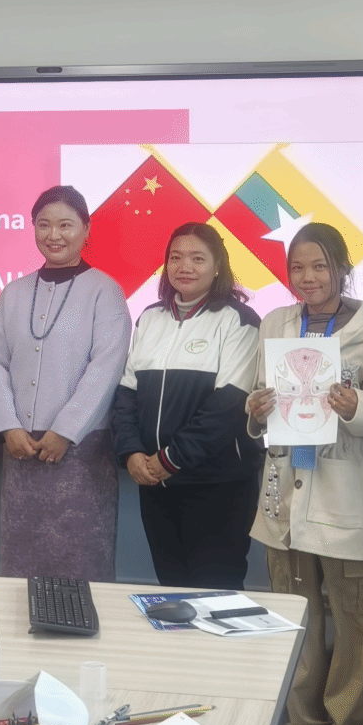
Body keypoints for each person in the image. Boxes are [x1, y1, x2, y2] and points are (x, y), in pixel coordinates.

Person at [247, 222, 363, 725]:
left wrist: (359, 407)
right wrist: (256, 409)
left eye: (319, 266)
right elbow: (257, 399)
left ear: (341, 269)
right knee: (296, 621)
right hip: (284, 498)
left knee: (354, 628)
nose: (307, 278)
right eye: (297, 268)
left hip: (344, 497)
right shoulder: (275, 325)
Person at [0, 186, 132, 581]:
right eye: (44, 225)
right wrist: (8, 427)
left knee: (80, 560)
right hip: (21, 449)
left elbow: (106, 368)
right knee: (21, 562)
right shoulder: (14, 293)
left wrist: (65, 431)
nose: (54, 235)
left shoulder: (105, 291)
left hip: (81, 451)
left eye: (66, 225)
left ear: (86, 229)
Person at [112, 222, 261, 590]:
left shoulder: (239, 320)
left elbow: (229, 406)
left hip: (218, 484)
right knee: (173, 590)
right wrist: (132, 453)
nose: (185, 267)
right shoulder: (150, 318)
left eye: (197, 258)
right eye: (176, 258)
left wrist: (169, 459)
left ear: (218, 266)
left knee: (216, 595)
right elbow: (126, 394)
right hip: (154, 484)